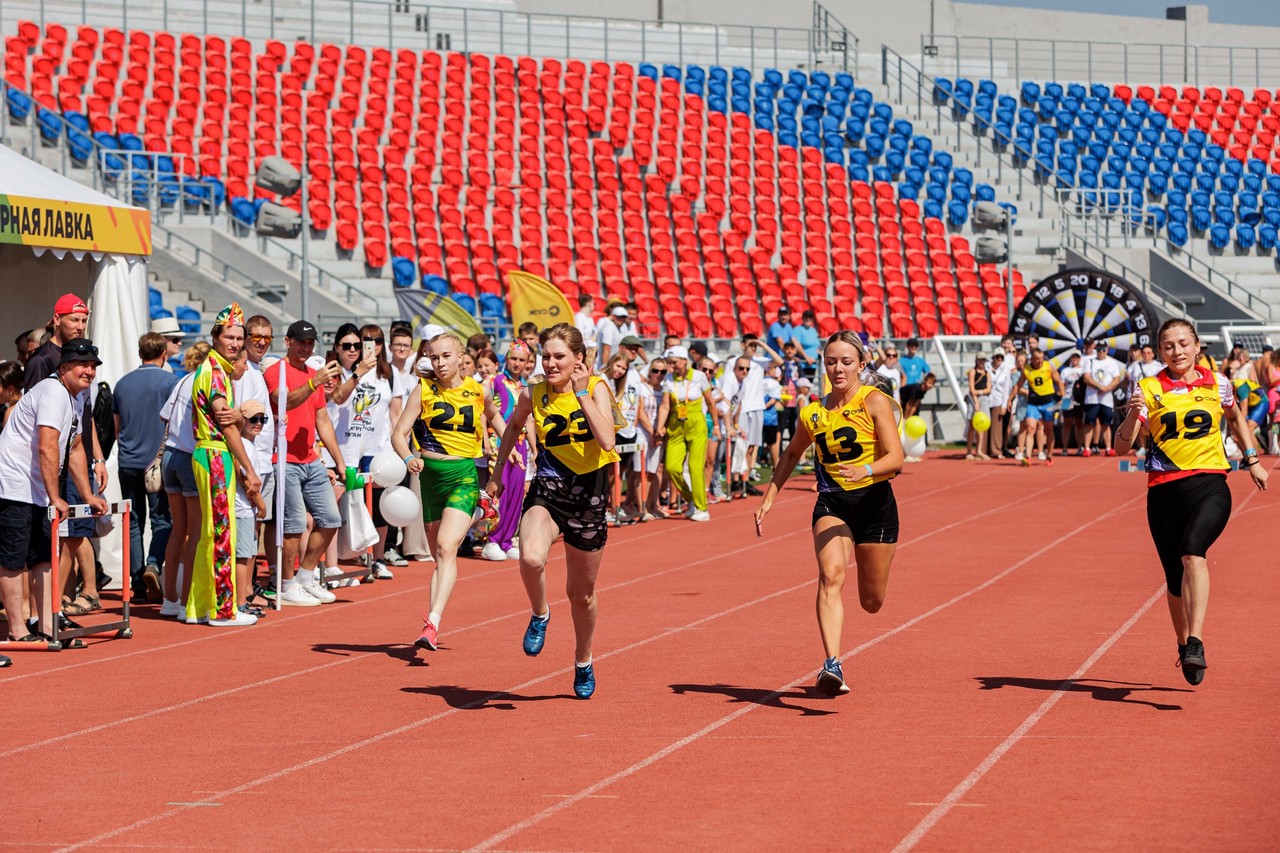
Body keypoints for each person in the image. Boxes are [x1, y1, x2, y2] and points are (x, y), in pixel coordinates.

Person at [1114, 318, 1268, 686]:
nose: (1176, 351)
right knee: (1173, 577)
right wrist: (1135, 412)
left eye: (1183, 343)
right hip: (1164, 491)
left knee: (1192, 551)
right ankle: (1184, 645)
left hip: (1210, 484)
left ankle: (1196, 641)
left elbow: (1235, 417)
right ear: (1160, 350)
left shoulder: (1219, 383)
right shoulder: (1148, 388)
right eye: (1168, 346)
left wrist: (1252, 459)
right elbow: (1121, 447)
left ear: (1197, 345)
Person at [754, 331, 905, 696]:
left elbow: (896, 458)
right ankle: (832, 664)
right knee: (830, 575)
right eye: (831, 361)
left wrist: (867, 471)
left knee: (872, 601)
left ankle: (859, 608)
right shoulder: (813, 411)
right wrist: (770, 497)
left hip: (875, 503)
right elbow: (791, 455)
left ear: (861, 365)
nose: (838, 368)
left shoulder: (875, 402)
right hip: (832, 503)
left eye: (846, 362)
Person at [487, 322, 620, 699]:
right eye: (545, 355)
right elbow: (512, 427)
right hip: (548, 490)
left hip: (589, 498)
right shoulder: (534, 393)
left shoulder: (596, 388)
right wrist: (497, 474)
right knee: (530, 557)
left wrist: (581, 394)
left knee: (583, 596)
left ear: (579, 359)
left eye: (559, 356)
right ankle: (540, 614)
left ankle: (583, 660)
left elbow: (608, 439)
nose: (550, 363)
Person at [391, 331, 499, 649]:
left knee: (447, 547)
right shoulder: (422, 390)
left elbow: (495, 417)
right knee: (440, 555)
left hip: (463, 475)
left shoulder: (478, 391)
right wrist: (409, 457)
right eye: (434, 357)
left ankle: (432, 623)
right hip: (430, 478)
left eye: (446, 356)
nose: (440, 362)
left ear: (461, 357)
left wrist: (510, 450)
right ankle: (479, 511)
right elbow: (399, 434)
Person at [0, 338, 108, 651]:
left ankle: (47, 625)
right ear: (63, 368)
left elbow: (73, 447)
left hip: (34, 485)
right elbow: (47, 445)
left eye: (92, 366)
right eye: (82, 365)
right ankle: (18, 629)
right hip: (14, 483)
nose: (89, 371)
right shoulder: (52, 392)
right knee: (13, 557)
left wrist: (87, 495)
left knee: (44, 557)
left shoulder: (75, 396)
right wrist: (55, 496)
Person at [263, 321, 347, 606]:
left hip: (310, 459)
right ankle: (286, 584)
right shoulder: (276, 371)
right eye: (301, 342)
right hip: (283, 458)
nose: (306, 348)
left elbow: (322, 419)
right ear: (287, 342)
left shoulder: (314, 376)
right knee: (294, 524)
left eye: (310, 343)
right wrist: (314, 383)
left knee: (331, 519)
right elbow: (282, 402)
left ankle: (305, 577)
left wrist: (338, 460)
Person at [188, 304, 262, 627]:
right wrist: (249, 468)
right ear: (215, 337)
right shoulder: (216, 372)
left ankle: (199, 606)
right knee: (222, 534)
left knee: (209, 534)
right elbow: (227, 425)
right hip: (216, 455)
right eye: (229, 337)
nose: (234, 343)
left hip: (211, 453)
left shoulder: (215, 369)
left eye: (238, 338)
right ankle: (222, 609)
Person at [113, 332, 179, 601]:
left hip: (128, 460)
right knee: (162, 520)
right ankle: (153, 563)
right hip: (157, 462)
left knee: (133, 522)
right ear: (163, 354)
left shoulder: (122, 384)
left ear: (140, 353)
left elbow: (117, 427)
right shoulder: (171, 382)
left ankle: (138, 581)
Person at [157, 343, 209, 618]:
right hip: (190, 455)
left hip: (170, 456)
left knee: (179, 529)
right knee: (196, 532)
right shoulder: (204, 381)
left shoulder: (182, 381)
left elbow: (165, 417)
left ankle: (170, 599)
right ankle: (188, 601)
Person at [480, 339, 534, 559]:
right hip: (498, 443)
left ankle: (506, 538)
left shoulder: (524, 386)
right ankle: (491, 539)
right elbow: (484, 411)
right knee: (498, 490)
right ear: (506, 359)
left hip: (520, 444)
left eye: (522, 360)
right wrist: (484, 438)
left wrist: (534, 446)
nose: (517, 363)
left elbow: (528, 419)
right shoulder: (495, 380)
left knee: (516, 493)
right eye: (513, 358)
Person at [655, 346, 721, 521]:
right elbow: (665, 406)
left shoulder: (699, 377)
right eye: (669, 363)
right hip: (676, 424)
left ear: (685, 360)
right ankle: (691, 499)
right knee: (672, 467)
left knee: (694, 466)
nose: (671, 366)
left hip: (696, 423)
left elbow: (710, 403)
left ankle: (702, 508)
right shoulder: (669, 379)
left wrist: (716, 426)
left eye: (674, 362)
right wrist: (660, 427)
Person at [604, 352, 644, 520]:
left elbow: (635, 404)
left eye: (624, 368)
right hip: (609, 432)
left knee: (619, 472)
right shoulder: (603, 379)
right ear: (611, 363)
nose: (620, 370)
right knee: (610, 472)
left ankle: (615, 506)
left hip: (625, 431)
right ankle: (612, 507)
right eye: (618, 366)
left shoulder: (621, 384)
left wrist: (633, 424)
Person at [1011, 348, 1064, 465]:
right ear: (1032, 359)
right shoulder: (1027, 369)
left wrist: (1063, 397)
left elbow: (1059, 382)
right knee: (1030, 428)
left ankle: (1049, 456)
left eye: (1041, 358)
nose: (1039, 361)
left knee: (1048, 429)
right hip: (1033, 403)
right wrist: (1010, 399)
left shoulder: (1048, 367)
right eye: (1036, 359)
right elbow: (1018, 385)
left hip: (1048, 402)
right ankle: (1028, 456)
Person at [634, 356, 667, 519]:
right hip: (643, 432)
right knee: (642, 471)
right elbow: (639, 412)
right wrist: (652, 431)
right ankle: (641, 507)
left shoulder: (665, 390)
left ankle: (651, 505)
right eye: (656, 370)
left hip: (658, 434)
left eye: (663, 371)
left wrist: (659, 432)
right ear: (650, 371)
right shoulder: (642, 387)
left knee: (654, 470)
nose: (659, 374)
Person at [1083, 342, 1125, 456]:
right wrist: (1099, 387)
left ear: (1107, 350)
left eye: (1103, 349)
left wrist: (1106, 388)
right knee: (1089, 424)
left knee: (1106, 424)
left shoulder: (1112, 363)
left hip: (1106, 399)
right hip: (1092, 398)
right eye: (1099, 349)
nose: (1101, 352)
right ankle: (1087, 448)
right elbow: (1086, 378)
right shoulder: (1089, 361)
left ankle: (1108, 447)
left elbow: (1116, 379)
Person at [985, 351, 1011, 459]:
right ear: (993, 357)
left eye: (1001, 357)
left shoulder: (1006, 370)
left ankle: (996, 451)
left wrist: (1004, 405)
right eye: (997, 357)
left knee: (997, 428)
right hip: (986, 399)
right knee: (985, 425)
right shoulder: (987, 367)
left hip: (998, 400)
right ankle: (983, 450)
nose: (999, 359)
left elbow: (1006, 389)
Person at [898, 338, 931, 421]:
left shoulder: (920, 361)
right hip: (906, 392)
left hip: (917, 392)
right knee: (903, 413)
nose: (913, 347)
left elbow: (929, 373)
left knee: (915, 413)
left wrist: (927, 383)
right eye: (911, 345)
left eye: (915, 345)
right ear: (907, 347)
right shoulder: (901, 360)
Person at [965, 354, 990, 459]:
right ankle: (969, 450)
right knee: (971, 425)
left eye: (983, 360)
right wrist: (976, 402)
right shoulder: (972, 371)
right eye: (980, 360)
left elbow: (989, 389)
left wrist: (979, 392)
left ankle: (979, 450)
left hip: (984, 399)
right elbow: (971, 388)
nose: (981, 362)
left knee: (982, 425)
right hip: (973, 399)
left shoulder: (987, 373)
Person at [791, 310, 820, 375]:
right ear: (802, 318)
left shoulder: (813, 330)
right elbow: (797, 345)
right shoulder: (797, 329)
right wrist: (807, 358)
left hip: (813, 364)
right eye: (806, 317)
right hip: (803, 363)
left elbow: (816, 345)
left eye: (810, 317)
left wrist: (819, 356)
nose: (808, 319)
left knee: (810, 384)